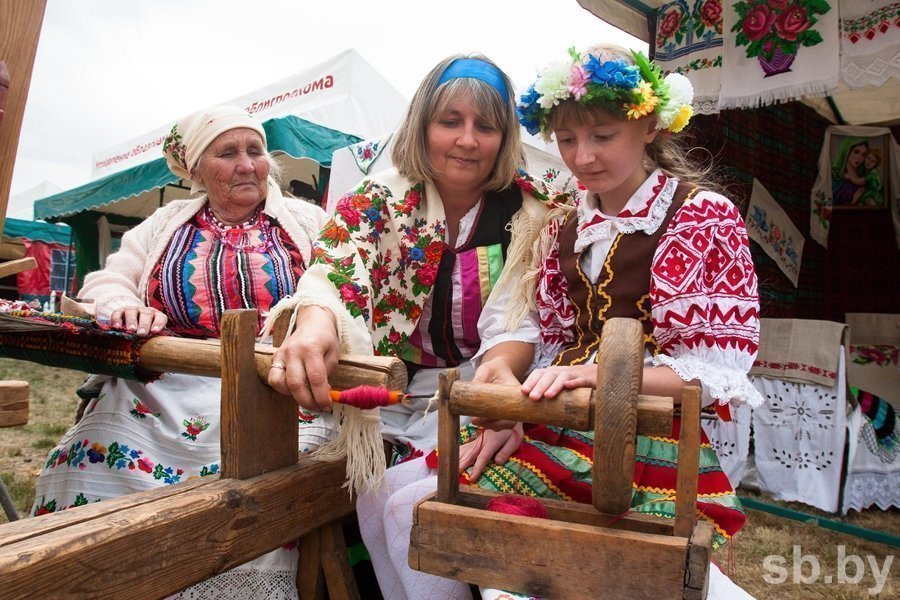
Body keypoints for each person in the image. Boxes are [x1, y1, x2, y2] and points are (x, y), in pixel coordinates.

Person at [363, 46, 764, 600]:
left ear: (649, 126)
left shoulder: (699, 218)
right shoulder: (565, 225)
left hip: (645, 439)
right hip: (564, 419)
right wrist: (516, 399)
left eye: (602, 136)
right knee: (388, 495)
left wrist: (595, 375)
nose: (582, 156)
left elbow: (707, 375)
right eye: (568, 140)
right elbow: (546, 339)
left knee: (427, 517)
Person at [266, 53, 556, 599]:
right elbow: (334, 269)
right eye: (451, 121)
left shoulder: (528, 212)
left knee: (440, 506)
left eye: (485, 126)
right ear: (422, 125)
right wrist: (314, 324)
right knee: (295, 487)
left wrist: (495, 391)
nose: (467, 140)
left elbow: (520, 321)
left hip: (481, 387)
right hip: (385, 389)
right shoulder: (379, 199)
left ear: (505, 137)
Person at [30, 105, 329, 599]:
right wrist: (125, 307)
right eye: (227, 153)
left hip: (274, 383)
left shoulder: (305, 221)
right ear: (195, 170)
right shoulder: (165, 223)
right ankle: (94, 580)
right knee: (89, 455)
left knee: (252, 490)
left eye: (254, 151)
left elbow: (341, 287)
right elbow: (106, 280)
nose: (246, 164)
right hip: (168, 381)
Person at [831, 137, 868, 206]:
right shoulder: (835, 176)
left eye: (863, 155)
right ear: (847, 151)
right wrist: (853, 202)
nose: (860, 158)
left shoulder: (864, 178)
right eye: (856, 152)